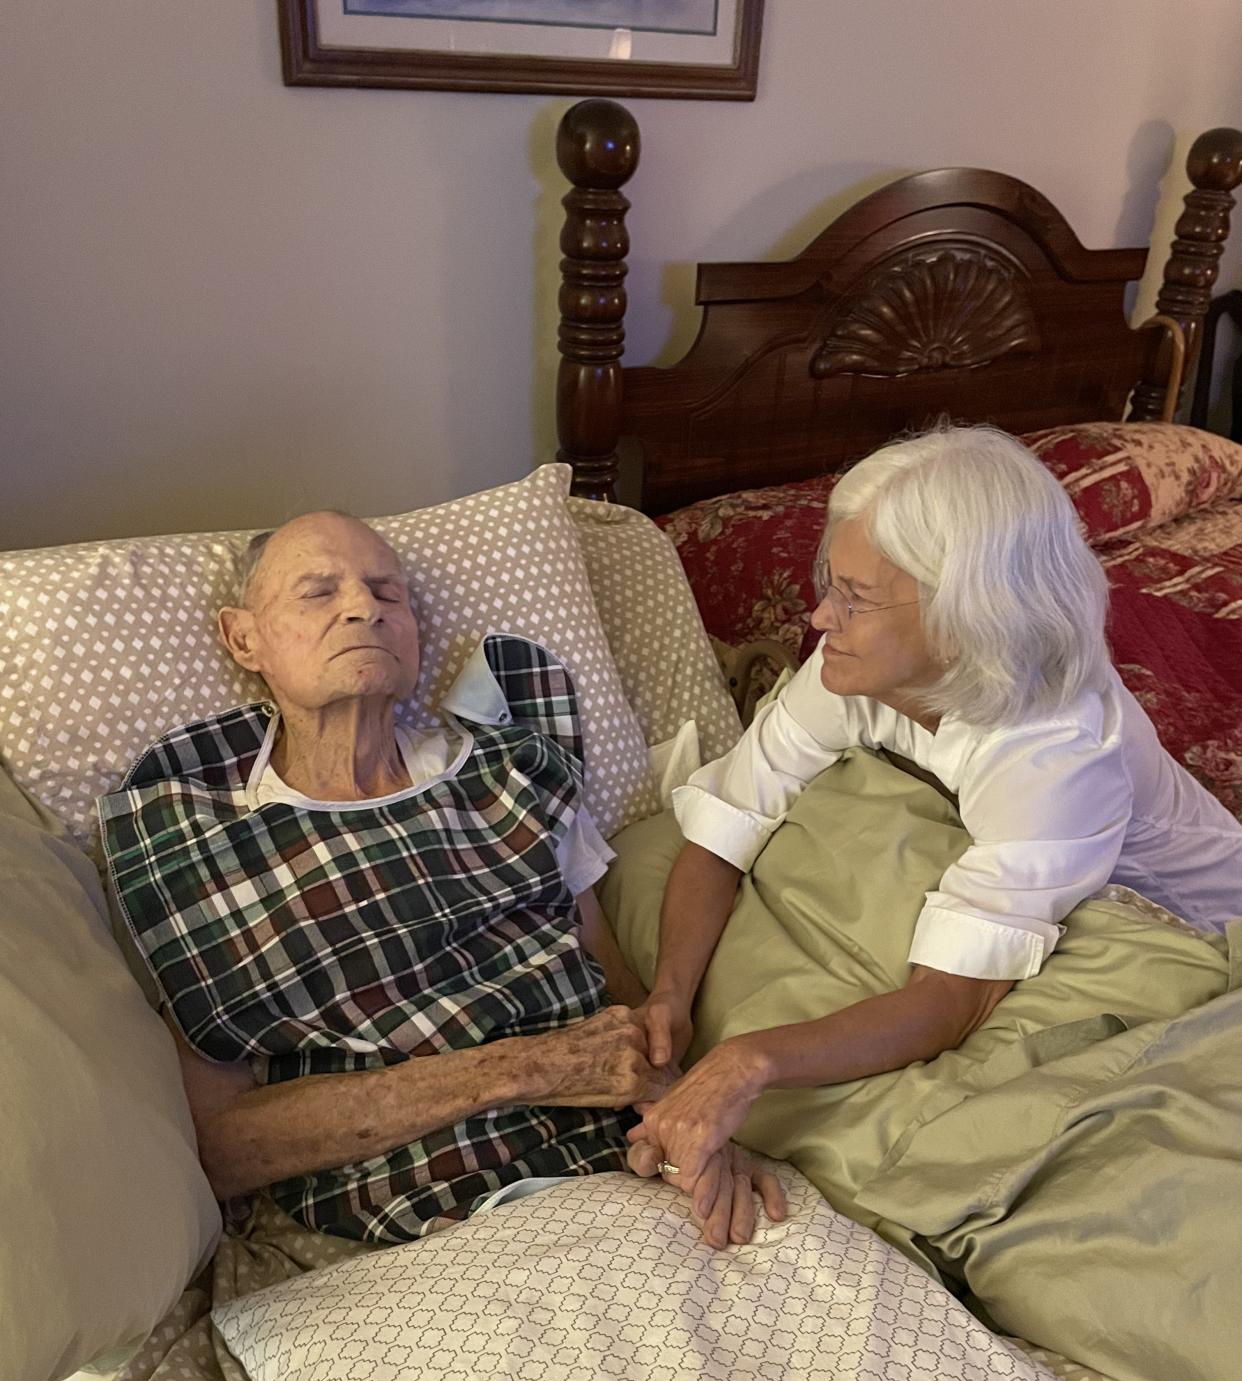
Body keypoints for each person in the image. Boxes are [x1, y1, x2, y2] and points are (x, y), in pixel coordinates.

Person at [100, 510, 785, 1248]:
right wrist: (520, 1069)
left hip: (620, 1173)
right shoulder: (198, 839)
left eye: (387, 593)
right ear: (244, 638)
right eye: (317, 592)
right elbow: (226, 1149)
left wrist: (693, 1124)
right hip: (414, 1226)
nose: (362, 607)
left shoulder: (515, 776)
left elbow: (618, 1013)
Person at [628, 425, 1242, 1197]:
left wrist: (748, 1061)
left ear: (964, 620)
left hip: (1193, 925)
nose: (820, 619)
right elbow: (724, 825)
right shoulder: (855, 661)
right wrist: (669, 996)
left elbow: (950, 999)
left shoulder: (1054, 751)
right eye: (832, 585)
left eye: (855, 599)